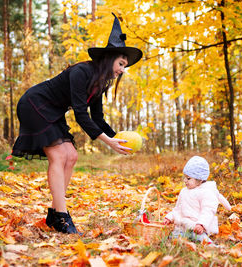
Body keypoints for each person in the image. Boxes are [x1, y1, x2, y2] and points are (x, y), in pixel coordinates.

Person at [11, 13, 142, 234]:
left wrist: (117, 137)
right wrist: (108, 142)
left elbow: (97, 118)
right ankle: (62, 217)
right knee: (59, 155)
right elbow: (81, 115)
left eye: (124, 66)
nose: (122, 70)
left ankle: (54, 214)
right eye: (121, 63)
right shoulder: (82, 72)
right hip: (35, 104)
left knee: (71, 155)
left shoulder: (100, 83)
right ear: (109, 59)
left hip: (52, 111)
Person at [163, 156, 231, 244]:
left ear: (200, 180)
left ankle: (211, 246)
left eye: (188, 178)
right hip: (182, 227)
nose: (185, 181)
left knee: (202, 240)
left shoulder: (206, 192)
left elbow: (208, 210)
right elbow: (178, 209)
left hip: (196, 228)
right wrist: (170, 217)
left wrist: (201, 224)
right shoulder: (184, 191)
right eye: (185, 177)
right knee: (171, 238)